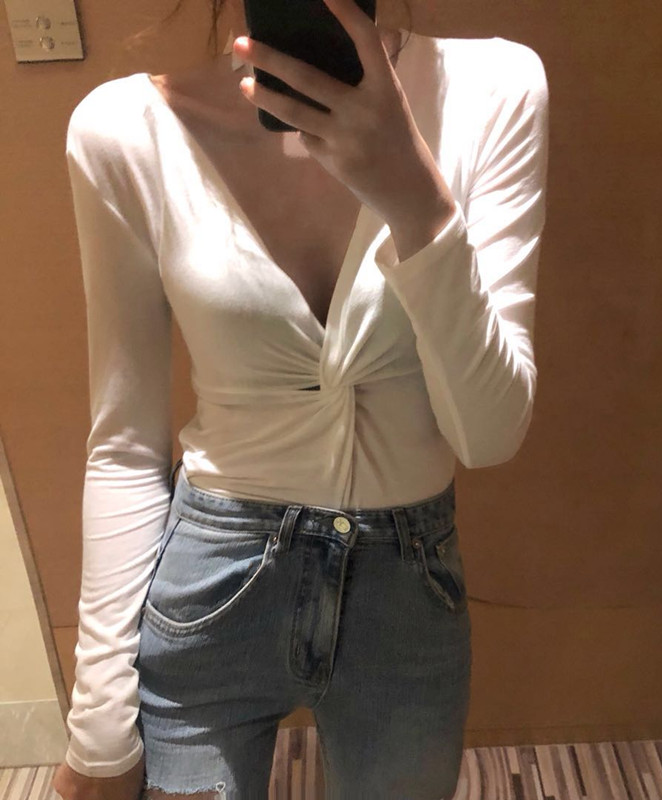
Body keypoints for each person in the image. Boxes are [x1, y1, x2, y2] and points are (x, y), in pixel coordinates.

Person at [53, 0, 548, 796]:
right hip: (212, 581)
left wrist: (416, 198)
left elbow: (486, 435)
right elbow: (125, 447)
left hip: (407, 595)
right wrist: (99, 731)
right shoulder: (124, 131)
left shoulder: (495, 89)